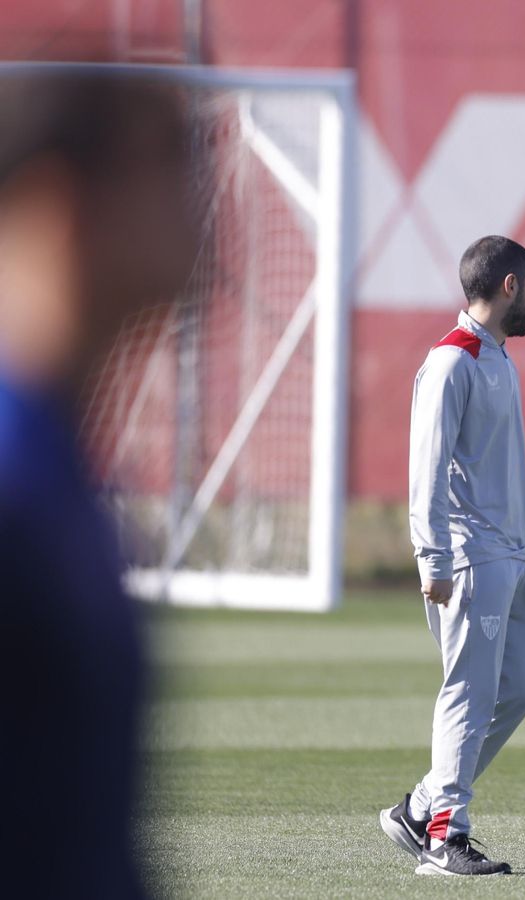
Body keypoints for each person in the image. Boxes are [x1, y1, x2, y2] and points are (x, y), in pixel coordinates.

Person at [0, 71, 200, 896]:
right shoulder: (15, 493)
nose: (201, 207)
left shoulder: (66, 472)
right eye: (168, 164)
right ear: (63, 206)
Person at [378, 235, 525, 877]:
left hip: (509, 555)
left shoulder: (499, 360)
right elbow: (425, 471)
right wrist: (432, 561)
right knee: (469, 692)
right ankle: (444, 837)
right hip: (469, 558)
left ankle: (420, 807)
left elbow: (501, 472)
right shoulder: (451, 362)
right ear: (510, 286)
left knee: (517, 691)